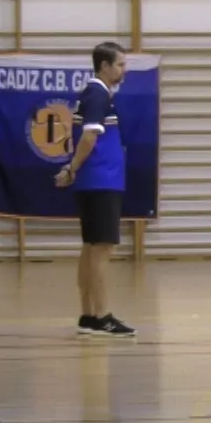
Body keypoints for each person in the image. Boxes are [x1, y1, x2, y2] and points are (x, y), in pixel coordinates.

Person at [55, 41, 135, 338]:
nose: (124, 69)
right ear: (104, 66)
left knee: (91, 247)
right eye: (120, 64)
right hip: (101, 181)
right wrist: (72, 169)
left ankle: (88, 315)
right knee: (102, 249)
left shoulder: (94, 94)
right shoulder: (98, 93)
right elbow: (89, 138)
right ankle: (102, 316)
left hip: (97, 181)